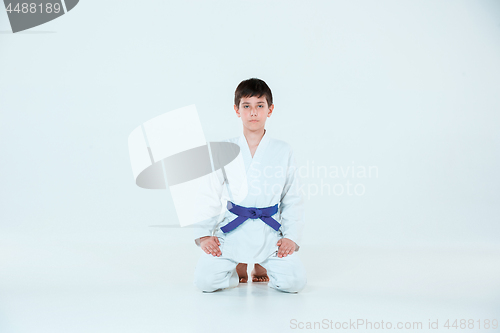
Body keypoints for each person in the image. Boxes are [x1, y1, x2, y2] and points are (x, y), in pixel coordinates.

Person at [192, 78, 306, 293]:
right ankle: (238, 265)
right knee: (205, 281)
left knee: (295, 282)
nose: (253, 113)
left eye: (260, 106)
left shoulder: (282, 150)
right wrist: (205, 234)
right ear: (237, 110)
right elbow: (208, 194)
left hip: (270, 233)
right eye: (247, 106)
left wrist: (290, 237)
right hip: (233, 231)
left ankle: (262, 263)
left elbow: (292, 196)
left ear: (270, 110)